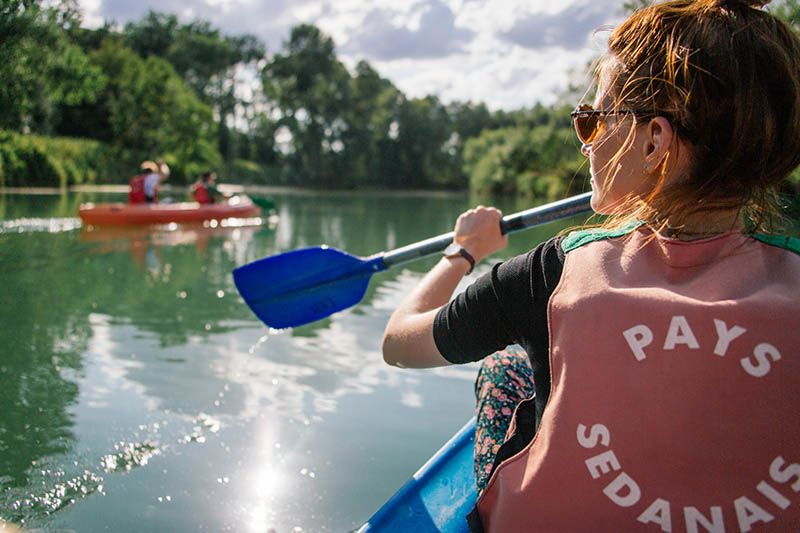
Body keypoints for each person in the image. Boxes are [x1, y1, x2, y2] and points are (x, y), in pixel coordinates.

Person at [381, 0, 800, 530]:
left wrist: (463, 252)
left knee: (507, 370)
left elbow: (399, 343)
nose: (587, 147)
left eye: (592, 121)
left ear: (654, 143)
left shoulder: (556, 273)